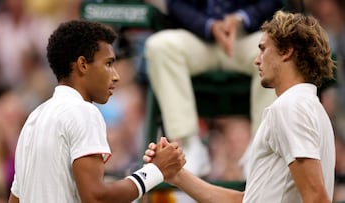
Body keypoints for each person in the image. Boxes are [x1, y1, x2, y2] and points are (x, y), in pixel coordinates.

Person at [144, 10, 336, 202]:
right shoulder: (307, 107)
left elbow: (316, 197)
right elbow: (245, 200)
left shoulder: (290, 107)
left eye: (263, 49)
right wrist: (177, 175)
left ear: (286, 51)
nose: (257, 60)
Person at [8, 20, 186, 203]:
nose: (116, 76)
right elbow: (96, 198)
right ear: (83, 65)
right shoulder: (83, 112)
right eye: (108, 64)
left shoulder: (34, 118)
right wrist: (155, 170)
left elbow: (15, 199)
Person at [144, 0, 283, 177]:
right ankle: (187, 145)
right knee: (159, 47)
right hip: (198, 38)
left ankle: (261, 149)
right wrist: (209, 26)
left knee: (276, 51)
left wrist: (240, 19)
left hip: (247, 38)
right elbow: (176, 4)